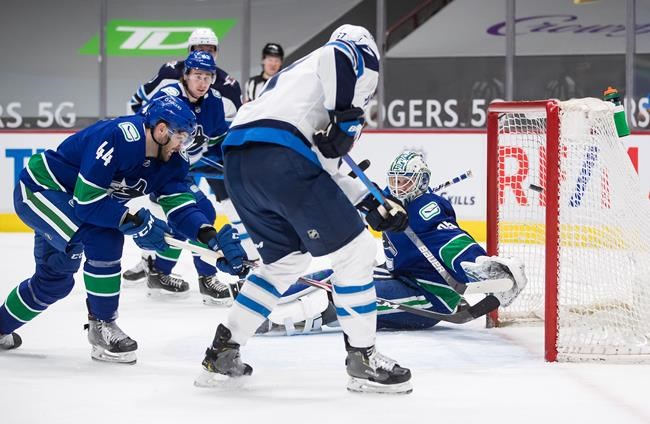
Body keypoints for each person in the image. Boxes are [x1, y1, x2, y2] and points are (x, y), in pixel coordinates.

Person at [195, 24, 413, 395]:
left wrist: (371, 202)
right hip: (281, 158)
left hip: (240, 162)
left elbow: (324, 170)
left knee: (284, 264)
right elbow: (339, 53)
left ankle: (222, 351)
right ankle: (363, 358)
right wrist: (346, 118)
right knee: (357, 251)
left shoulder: (295, 82)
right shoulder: (346, 56)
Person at [0, 96, 247, 364]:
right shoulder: (119, 137)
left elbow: (181, 207)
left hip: (70, 202)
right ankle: (102, 325)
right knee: (105, 237)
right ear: (161, 130)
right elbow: (87, 202)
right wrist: (136, 222)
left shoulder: (173, 159)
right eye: (180, 137)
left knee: (54, 282)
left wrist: (208, 237)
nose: (182, 145)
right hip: (41, 190)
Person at [256, 151, 528, 335]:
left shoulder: (427, 208)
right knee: (330, 276)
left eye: (405, 182)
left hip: (429, 293)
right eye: (395, 180)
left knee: (346, 295)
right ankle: (261, 298)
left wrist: (479, 264)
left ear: (421, 182)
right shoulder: (391, 201)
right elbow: (367, 200)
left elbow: (450, 241)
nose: (398, 187)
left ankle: (279, 321)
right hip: (399, 276)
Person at [123, 28, 258, 296]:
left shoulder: (217, 99)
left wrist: (236, 162)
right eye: (197, 75)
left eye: (207, 76)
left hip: (183, 166)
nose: (203, 81)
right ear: (185, 73)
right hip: (162, 169)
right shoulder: (168, 95)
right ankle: (195, 275)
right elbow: (146, 127)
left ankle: (160, 271)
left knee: (191, 217)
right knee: (197, 214)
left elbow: (218, 140)